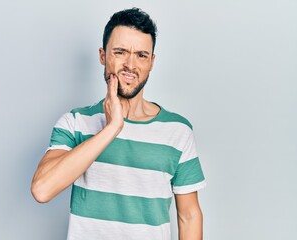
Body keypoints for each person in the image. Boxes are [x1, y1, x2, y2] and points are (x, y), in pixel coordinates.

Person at [31, 8, 206, 240]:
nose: (130, 65)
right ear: (103, 56)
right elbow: (42, 190)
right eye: (120, 52)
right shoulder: (75, 123)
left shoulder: (177, 131)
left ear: (152, 62)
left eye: (141, 55)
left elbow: (189, 215)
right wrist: (112, 128)